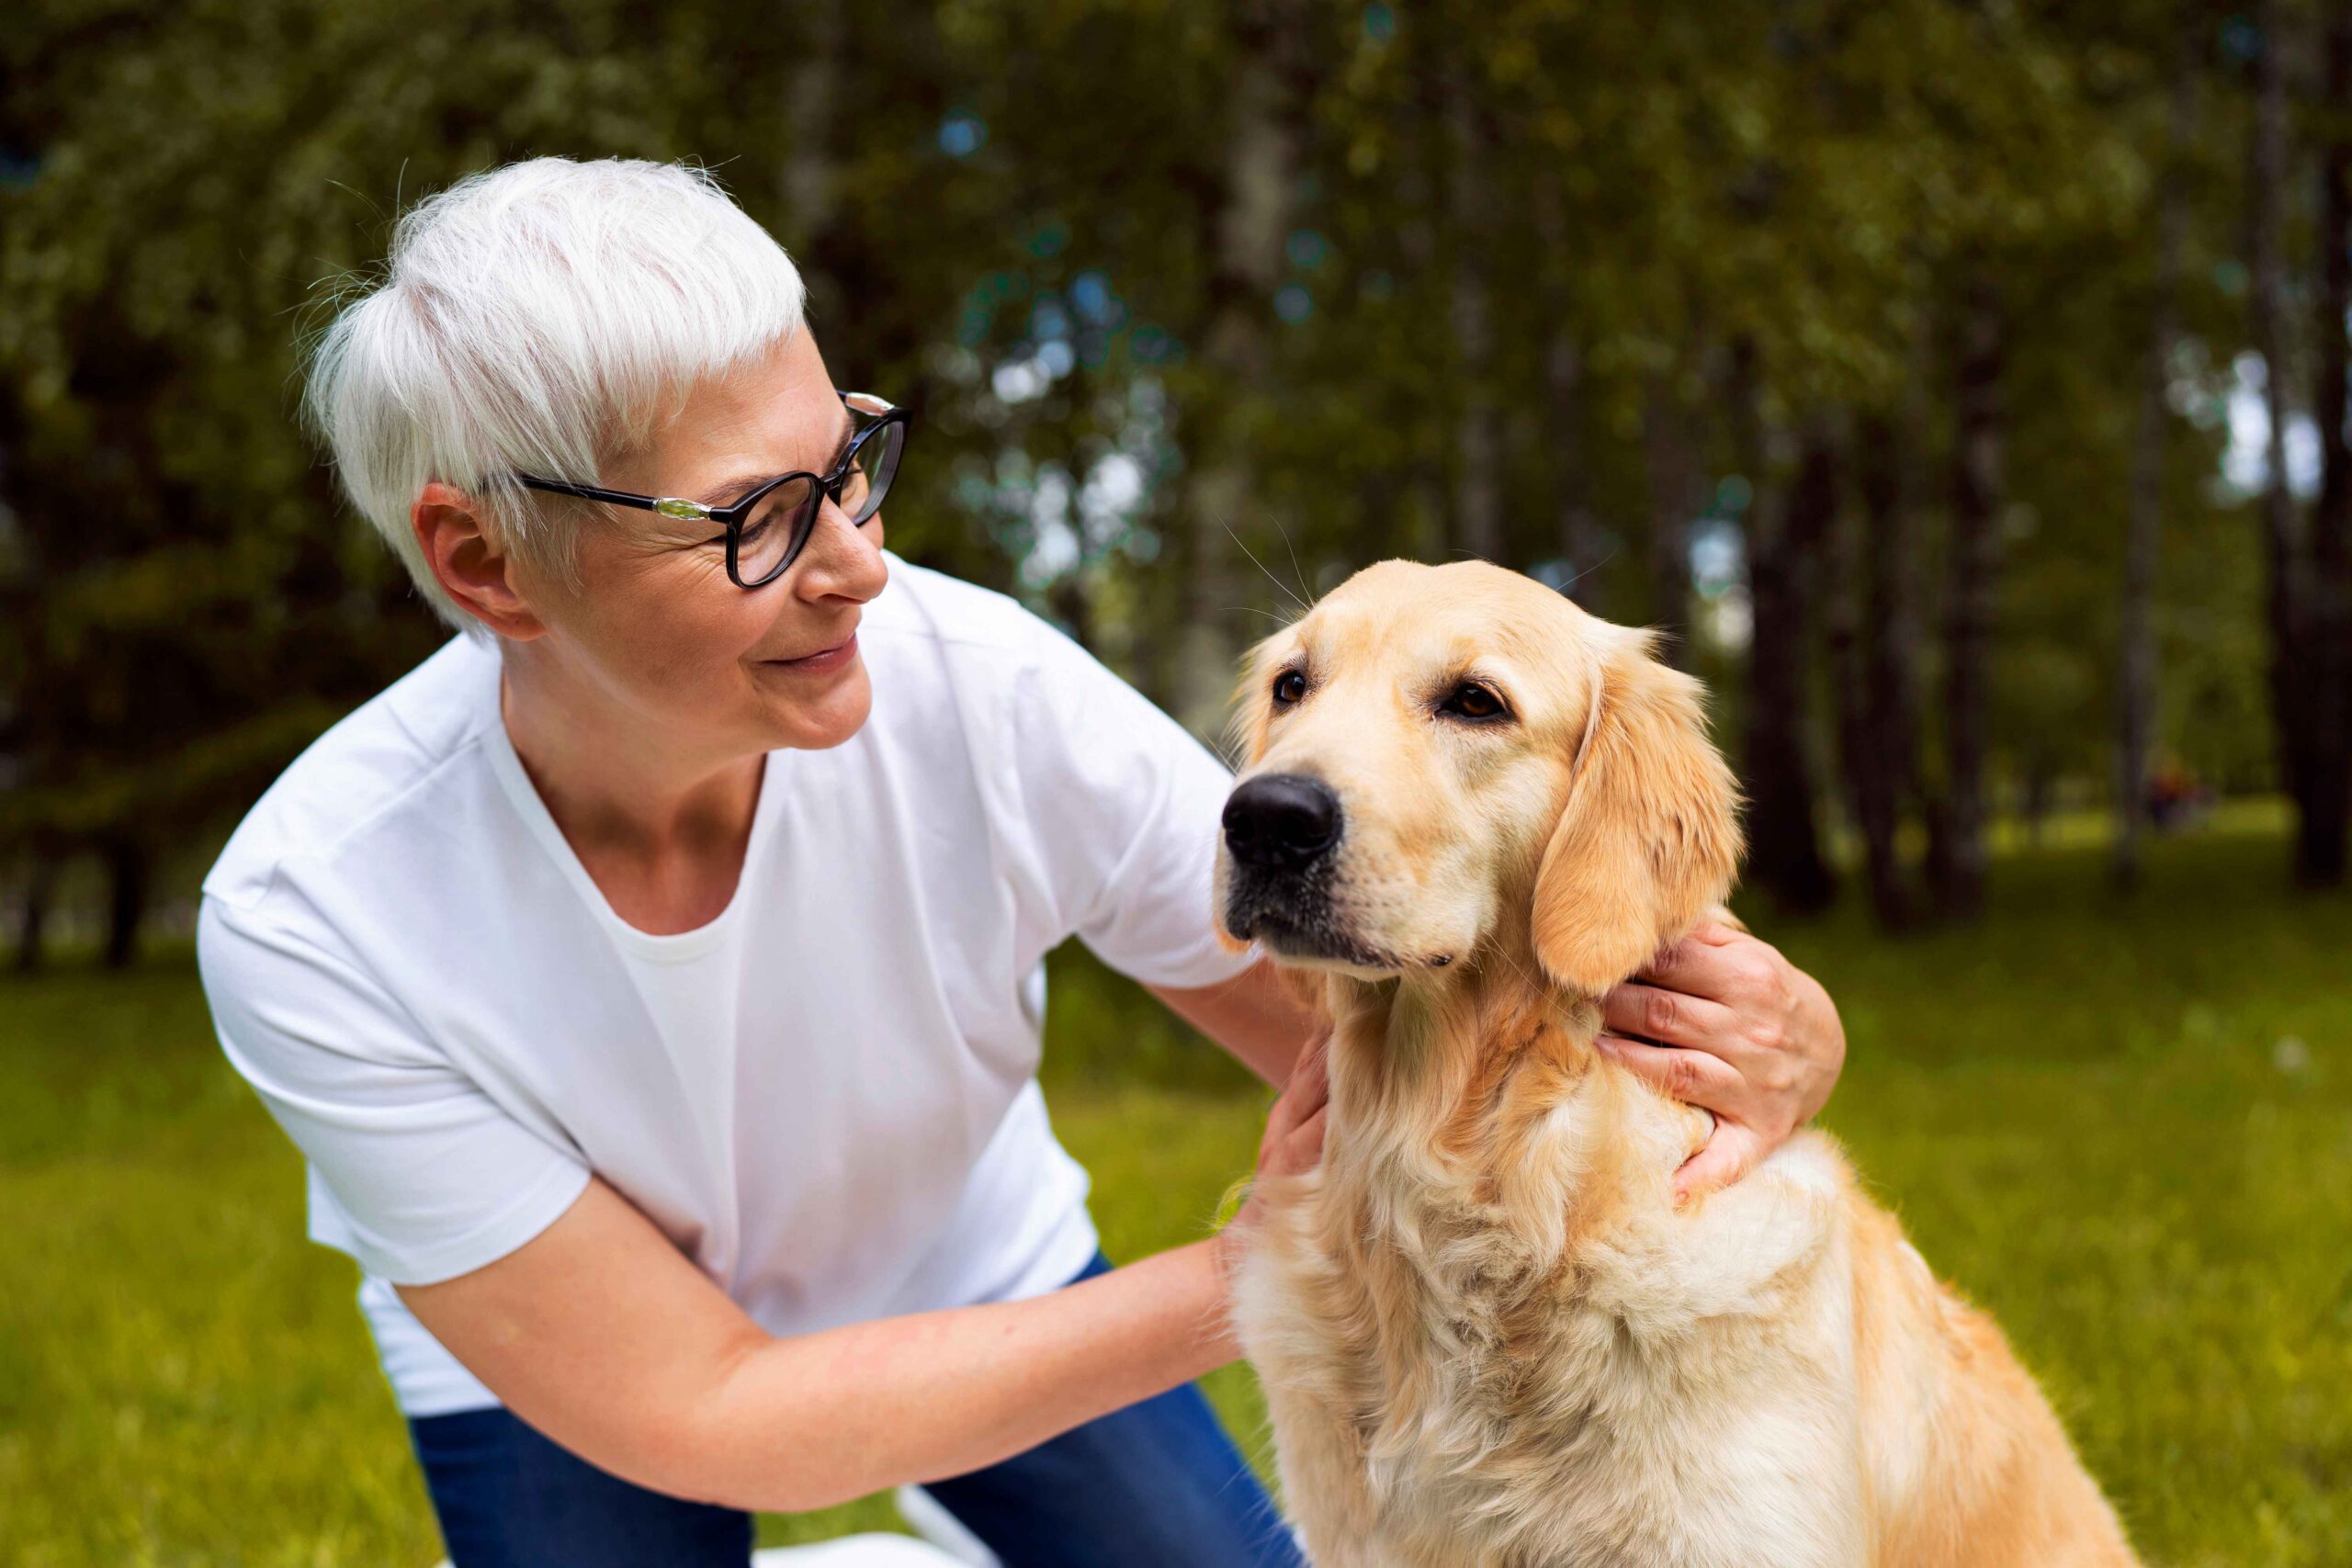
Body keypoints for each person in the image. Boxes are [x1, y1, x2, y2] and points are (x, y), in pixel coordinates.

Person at [195, 156, 1848, 1568]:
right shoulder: (319, 918)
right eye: (758, 521)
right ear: (486, 560)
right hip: (583, 1387)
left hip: (979, 1266)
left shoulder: (976, 688)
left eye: (848, 462)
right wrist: (1275, 1261)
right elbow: (713, 1414)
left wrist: (1772, 1048)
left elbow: (1425, 992)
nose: (858, 568)